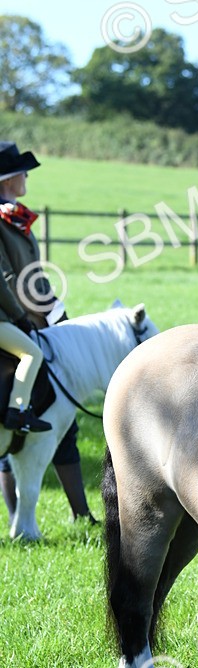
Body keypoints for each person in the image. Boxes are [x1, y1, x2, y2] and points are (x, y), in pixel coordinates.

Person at [0, 141, 95, 523]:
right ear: (9, 179)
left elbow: (34, 278)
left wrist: (58, 315)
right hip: (13, 322)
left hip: (34, 323)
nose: (27, 178)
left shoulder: (16, 218)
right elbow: (6, 278)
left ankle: (81, 514)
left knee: (62, 418)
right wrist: (24, 317)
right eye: (22, 172)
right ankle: (15, 516)